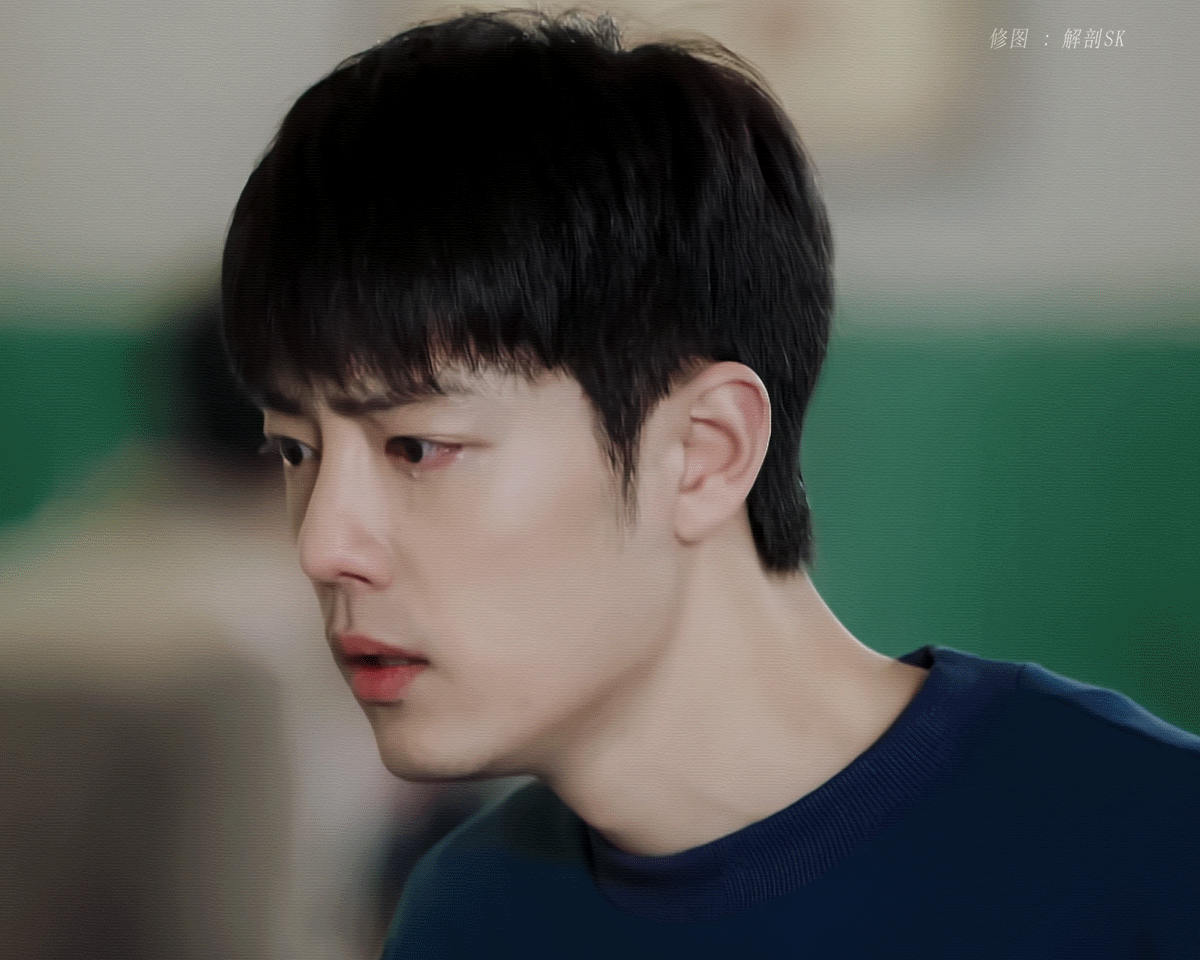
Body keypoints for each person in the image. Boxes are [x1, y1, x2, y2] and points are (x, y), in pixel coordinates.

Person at [220, 10, 1200, 957]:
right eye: (294, 451)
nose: (323, 545)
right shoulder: (467, 917)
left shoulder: (1152, 851)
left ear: (706, 450)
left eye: (417, 447)